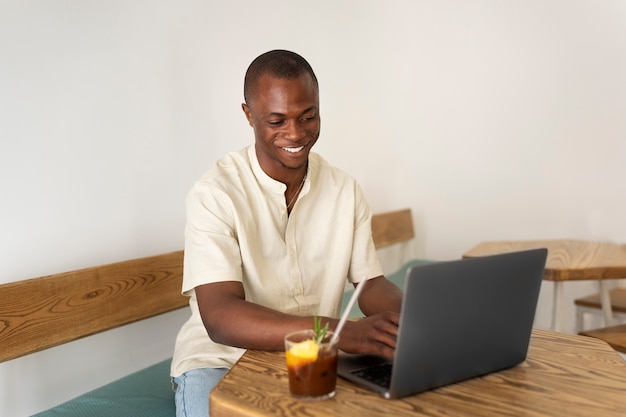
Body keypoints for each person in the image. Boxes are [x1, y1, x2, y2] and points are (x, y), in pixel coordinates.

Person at [170, 49, 404, 417]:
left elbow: (370, 285)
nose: (295, 133)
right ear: (248, 115)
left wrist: (418, 318)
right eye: (276, 120)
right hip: (221, 361)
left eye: (308, 116)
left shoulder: (345, 189)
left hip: (312, 358)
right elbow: (219, 315)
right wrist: (337, 334)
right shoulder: (214, 193)